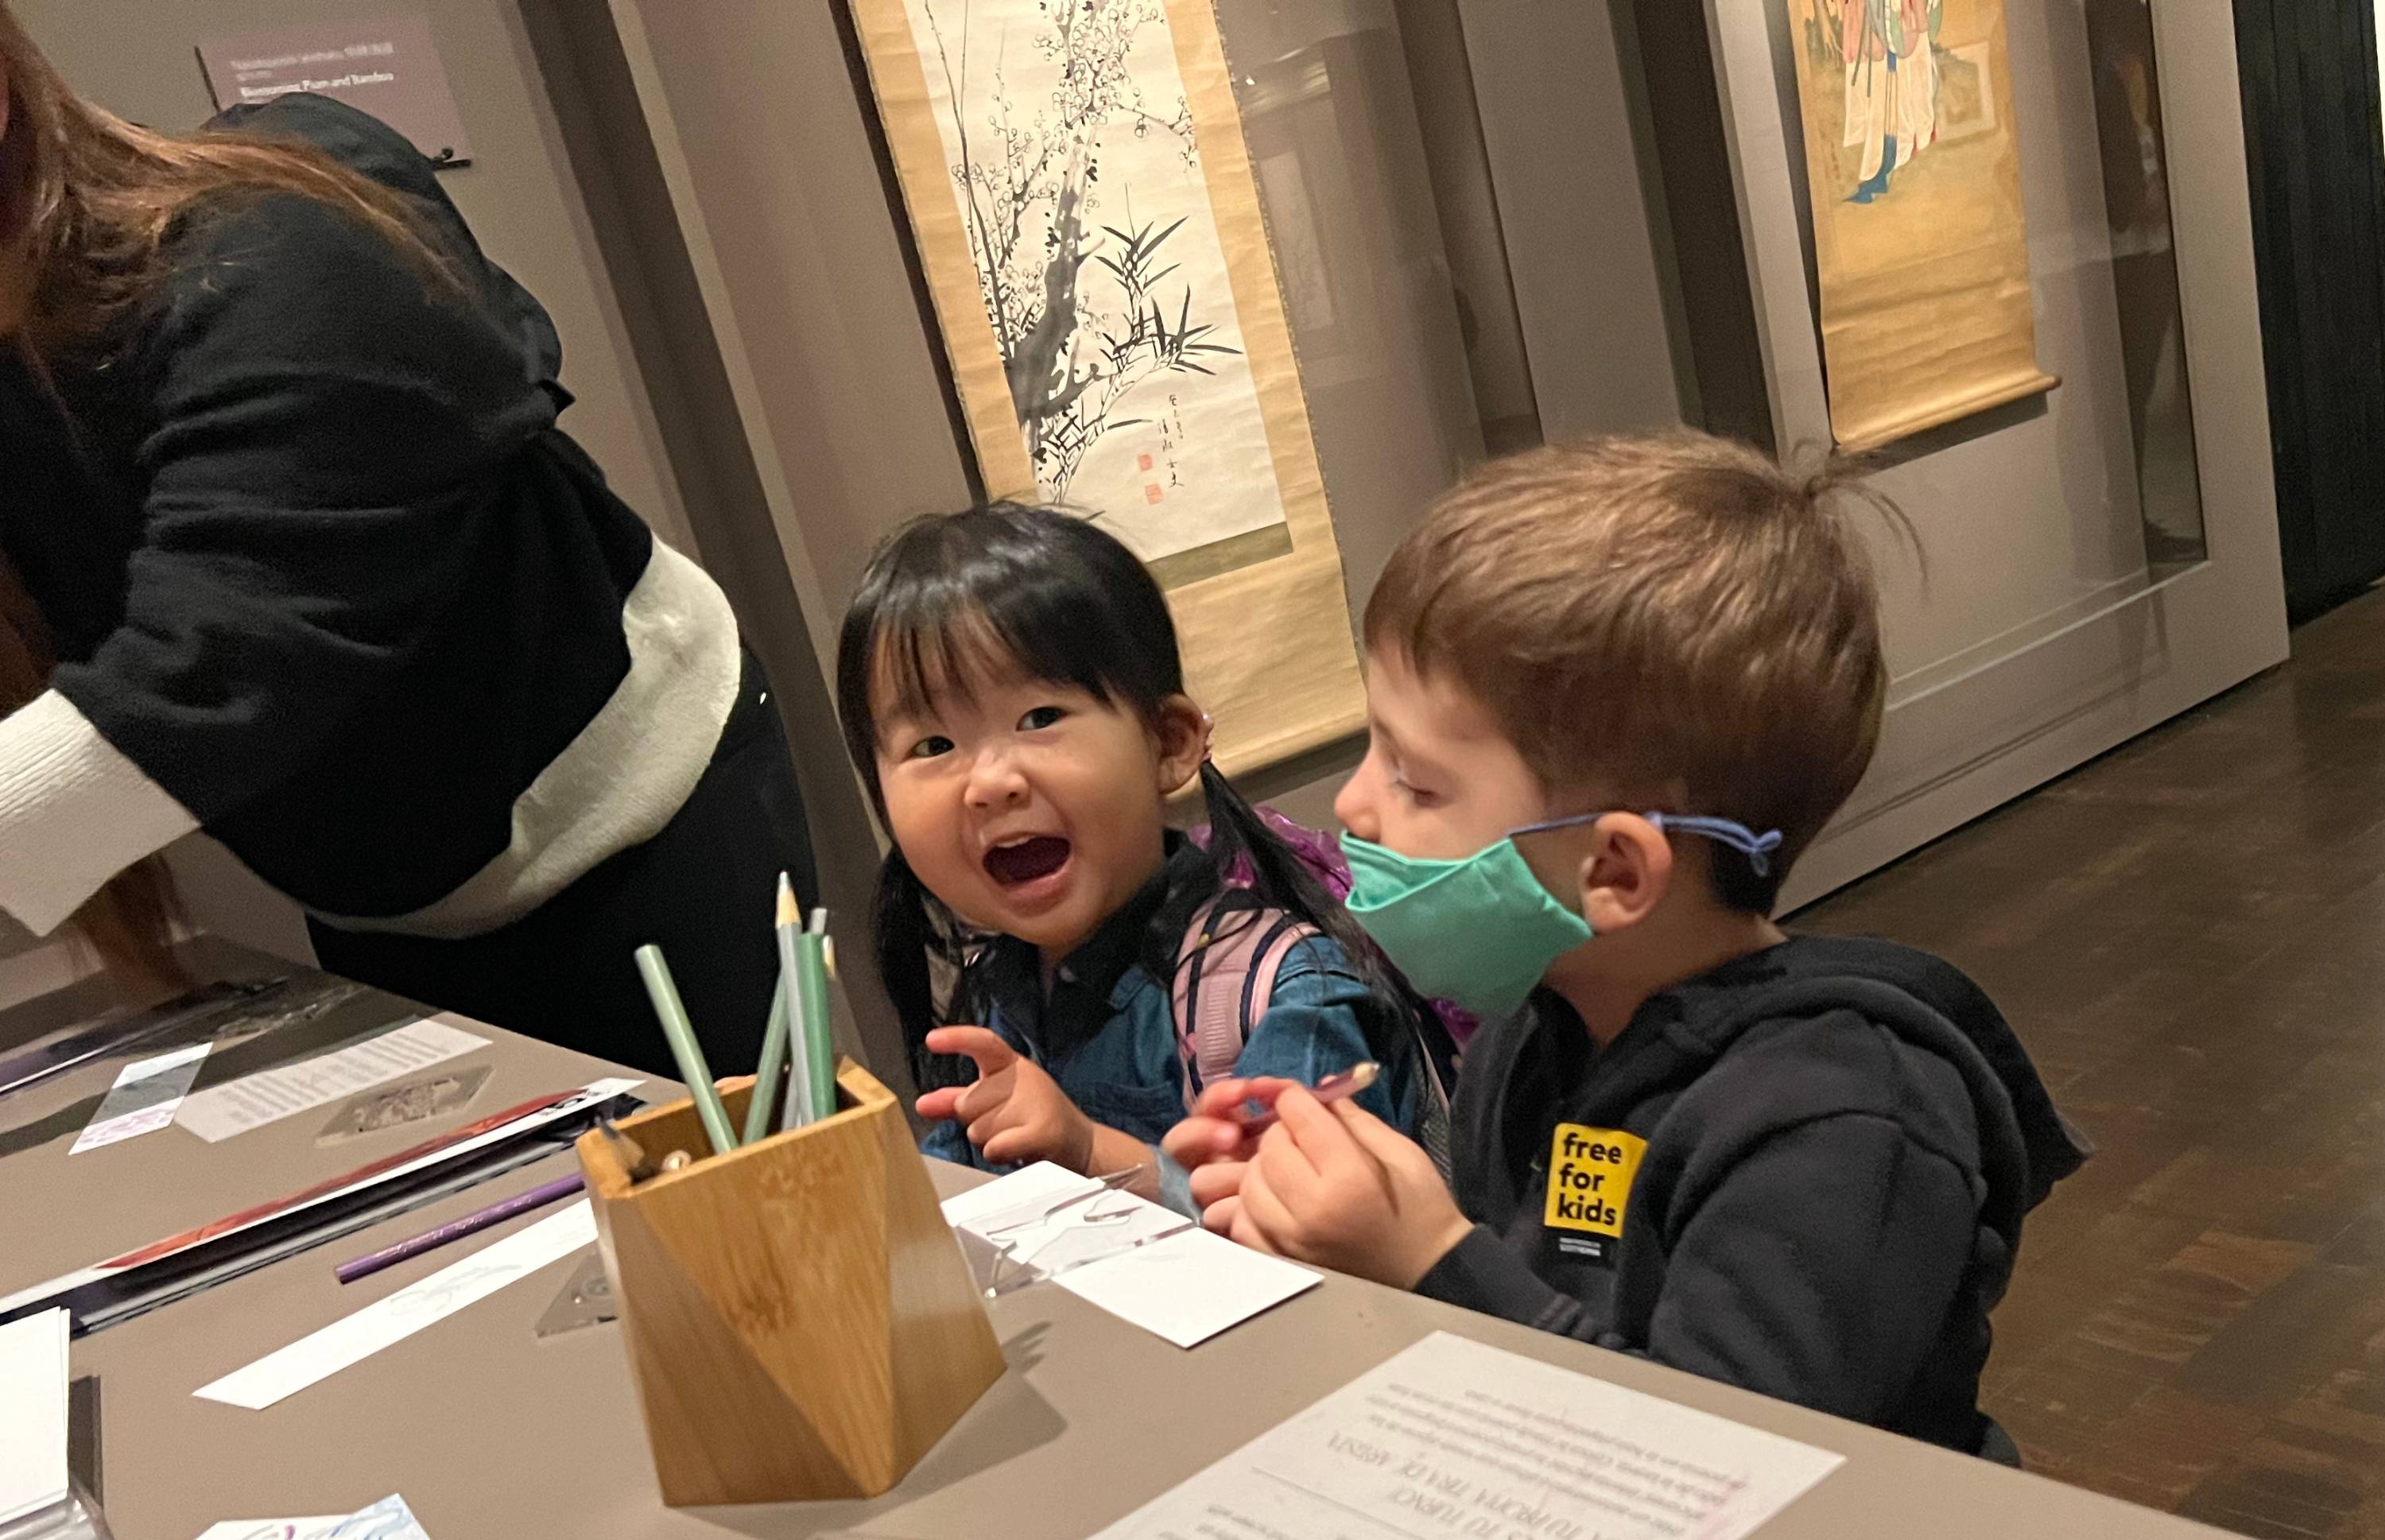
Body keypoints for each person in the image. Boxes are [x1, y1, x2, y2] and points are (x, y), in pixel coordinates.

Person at [1167, 433, 2087, 1460]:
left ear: (1613, 871)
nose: (1351, 806)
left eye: (1415, 781)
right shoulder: (1540, 1025)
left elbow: (1728, 1467)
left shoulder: (1841, 1121)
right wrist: (1325, 1227)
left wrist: (1432, 1261)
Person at [0, 8, 815, 1073]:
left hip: (636, 828)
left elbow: (222, 666)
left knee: (766, 1221)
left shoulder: (272, 254)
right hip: (385, 895)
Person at [836, 504, 1421, 1216]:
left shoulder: (1279, 990)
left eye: (1040, 718)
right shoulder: (993, 992)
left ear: (1169, 741)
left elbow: (1322, 1242)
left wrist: (1086, 1150)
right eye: (932, 746)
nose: (989, 782)